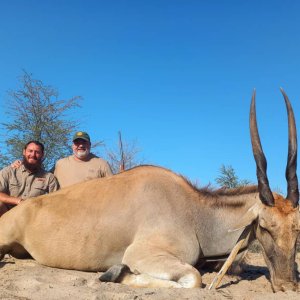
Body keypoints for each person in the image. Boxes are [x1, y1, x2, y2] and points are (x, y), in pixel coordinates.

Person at [0, 141, 59, 216]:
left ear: (42, 155)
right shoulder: (9, 171)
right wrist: (19, 201)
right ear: (24, 152)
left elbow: (56, 201)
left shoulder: (49, 177)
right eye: (30, 151)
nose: (33, 155)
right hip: (8, 215)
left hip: (34, 217)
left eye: (37, 152)